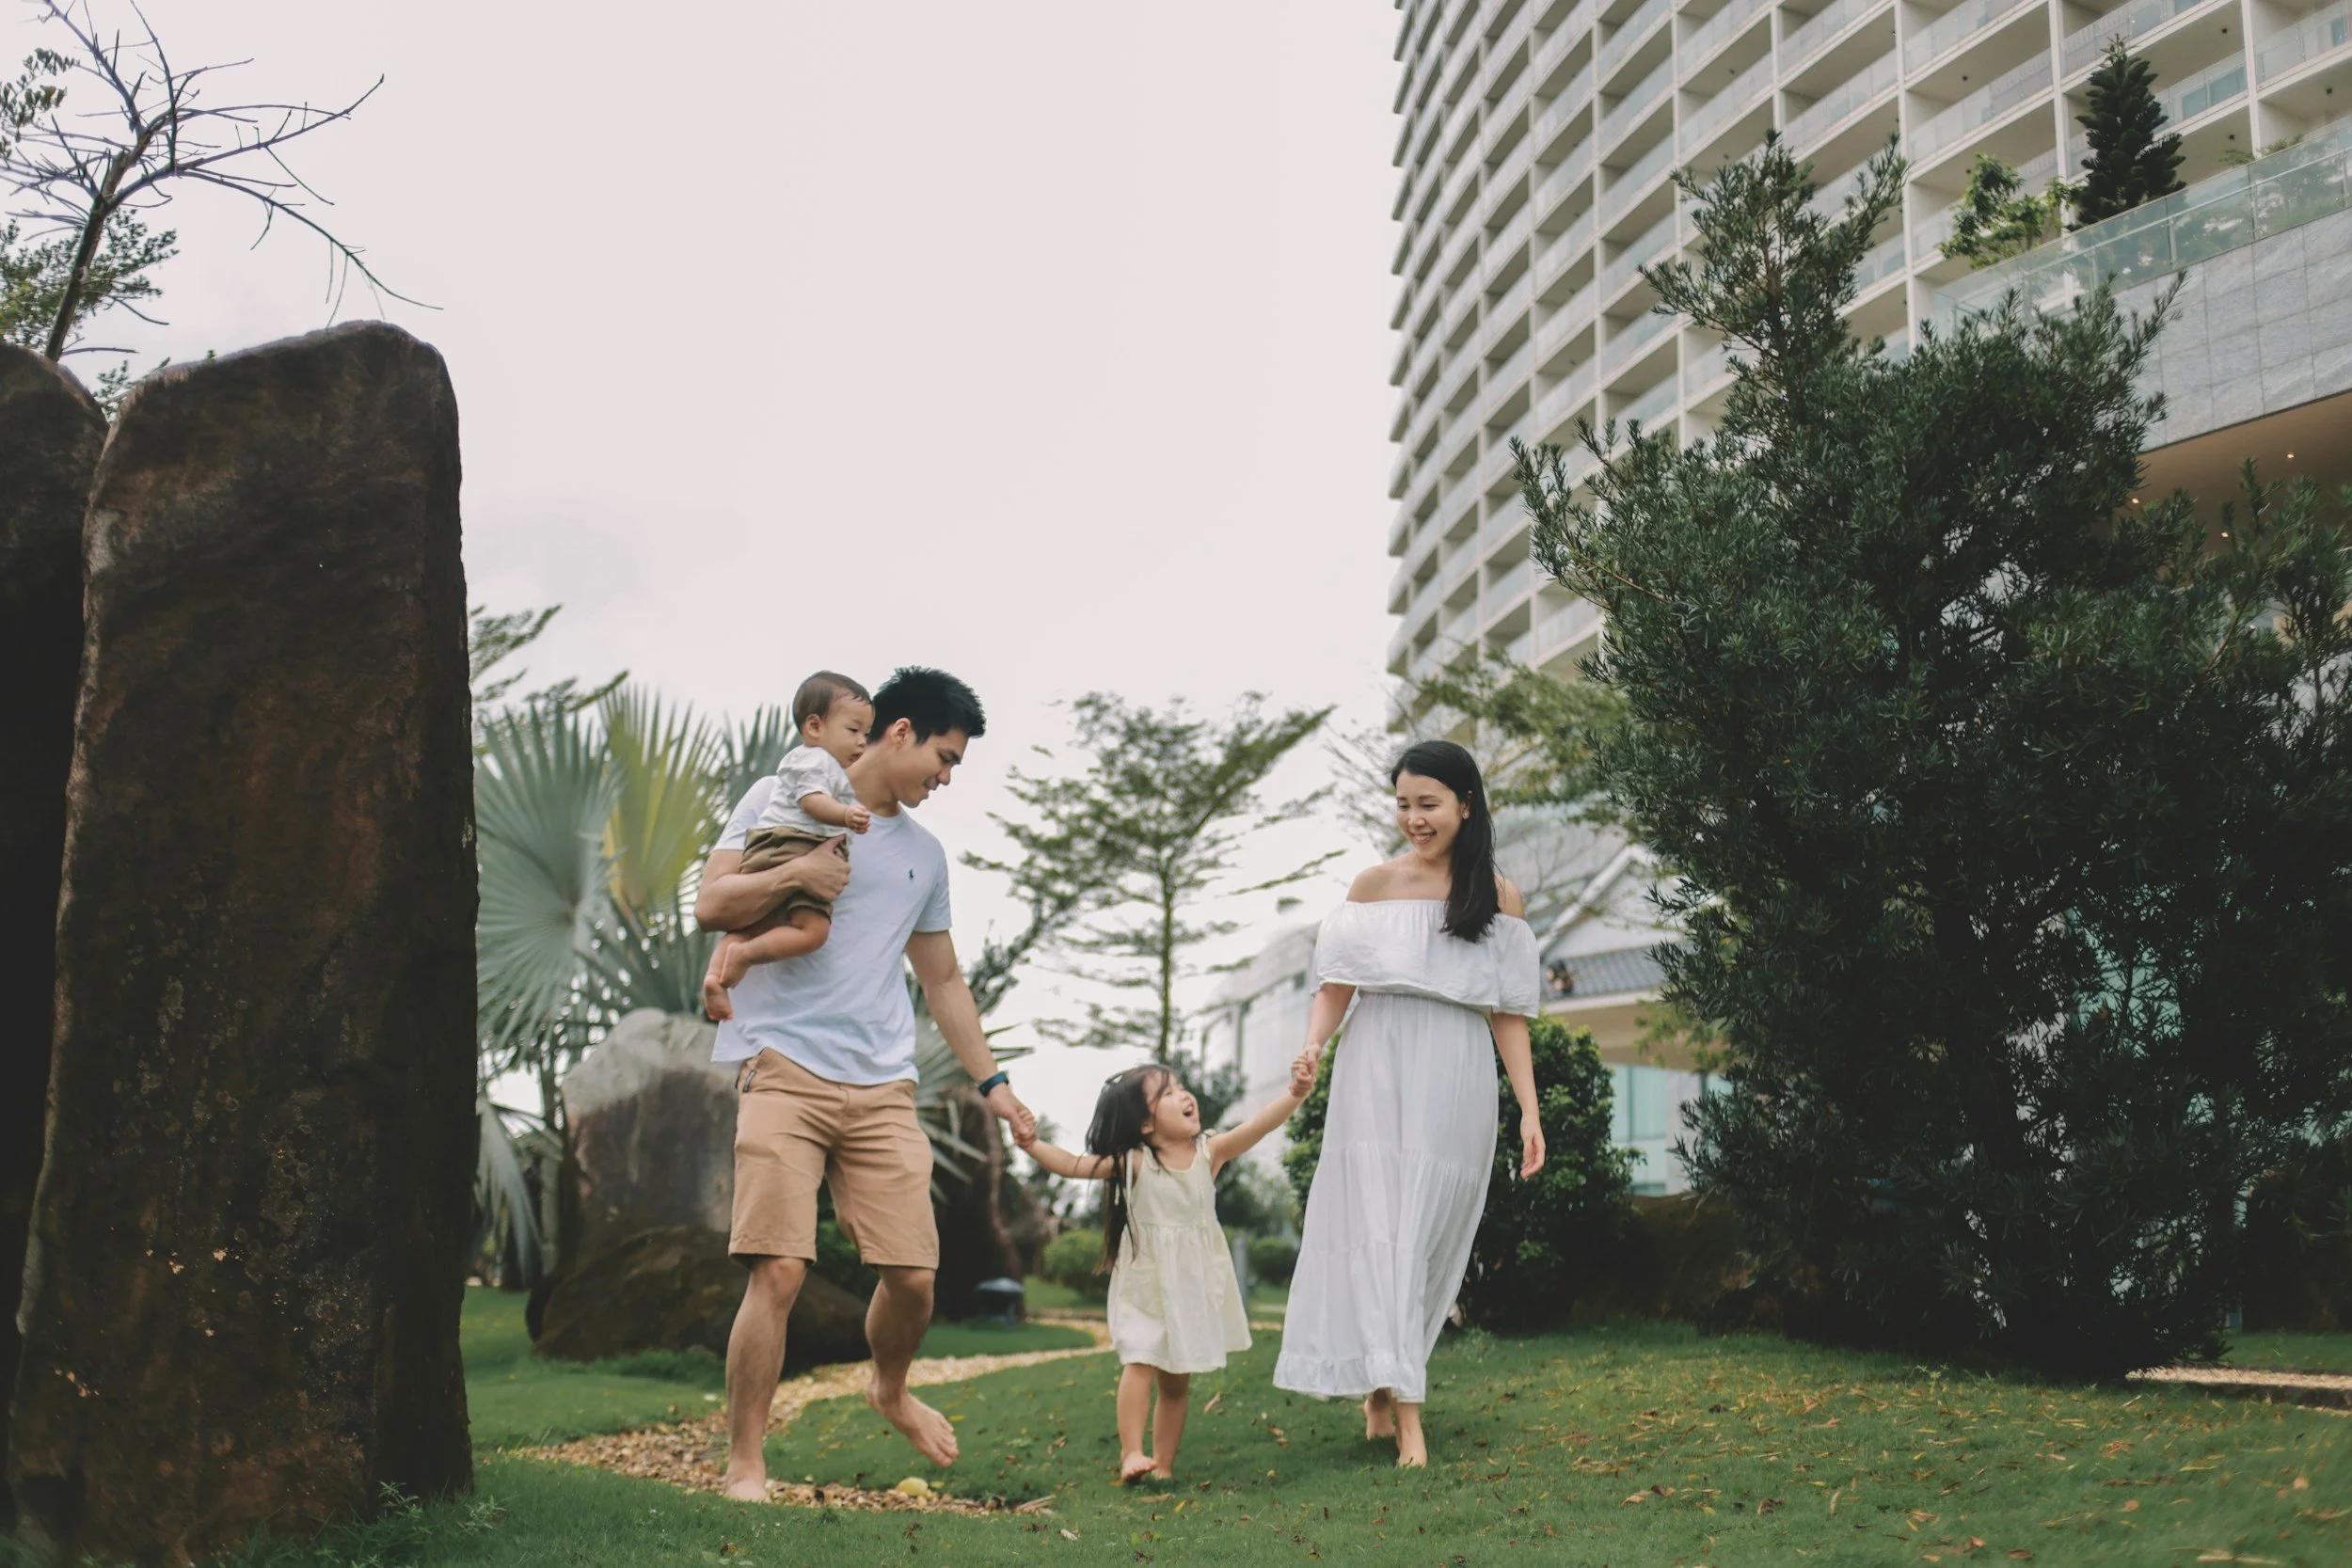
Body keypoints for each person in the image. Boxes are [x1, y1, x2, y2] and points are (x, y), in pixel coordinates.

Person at [692, 666, 1035, 1502]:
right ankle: (746, 1463)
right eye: (945, 757)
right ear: (900, 730)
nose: (946, 779)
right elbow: (711, 903)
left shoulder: (924, 855)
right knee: (777, 1271)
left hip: (882, 1081)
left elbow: (944, 980)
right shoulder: (779, 795)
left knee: (914, 1277)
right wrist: (796, 878)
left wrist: (994, 1082)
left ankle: (888, 1384)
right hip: (781, 1063)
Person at [1272, 739, 1545, 1468]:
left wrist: (1529, 1108)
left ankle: (1384, 1377)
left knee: (1426, 1236)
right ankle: (1408, 1418)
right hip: (1377, 1064)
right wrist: (1314, 1045)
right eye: (1402, 804)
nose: (1413, 819)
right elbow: (1337, 982)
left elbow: (1508, 1011)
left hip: (1454, 1069)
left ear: (1465, 804)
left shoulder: (1499, 895)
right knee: (1384, 1225)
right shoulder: (1373, 885)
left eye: (1428, 804)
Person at [1016, 1056, 1317, 1482]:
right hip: (1145, 1285)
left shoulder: (1208, 1153)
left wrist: (1295, 1093)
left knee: (1176, 1383)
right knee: (1140, 1360)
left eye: (1181, 1087)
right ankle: (1131, 1453)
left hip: (1190, 1286)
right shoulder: (1136, 1162)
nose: (1184, 1095)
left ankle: (1163, 1467)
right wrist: (1030, 1143)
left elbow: (1259, 1127)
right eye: (1168, 1093)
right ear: (1144, 1124)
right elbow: (1071, 1164)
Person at [701, 671, 875, 1021]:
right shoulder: (816, 760)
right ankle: (745, 956)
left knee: (751, 926)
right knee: (813, 932)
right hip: (793, 844)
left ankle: (715, 978)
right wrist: (845, 816)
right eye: (853, 731)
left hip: (775, 846)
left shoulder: (818, 763)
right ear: (814, 727)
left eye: (866, 735)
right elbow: (812, 801)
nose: (861, 743)